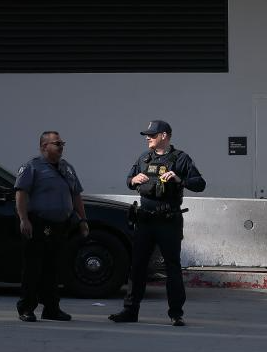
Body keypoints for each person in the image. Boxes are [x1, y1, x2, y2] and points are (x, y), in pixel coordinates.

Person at [109, 120, 205, 326]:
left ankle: (176, 314)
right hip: (145, 220)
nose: (148, 138)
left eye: (152, 135)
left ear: (164, 135)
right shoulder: (144, 158)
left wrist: (179, 179)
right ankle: (130, 311)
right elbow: (128, 180)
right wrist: (134, 180)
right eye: (147, 135)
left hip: (168, 220)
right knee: (137, 267)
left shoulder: (180, 159)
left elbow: (200, 184)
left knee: (172, 267)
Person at [14, 131, 89, 322]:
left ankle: (51, 308)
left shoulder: (67, 168)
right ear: (43, 146)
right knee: (33, 268)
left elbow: (76, 196)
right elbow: (21, 194)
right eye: (57, 143)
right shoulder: (32, 167)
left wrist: (83, 220)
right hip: (38, 224)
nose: (61, 146)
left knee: (54, 268)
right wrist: (23, 219)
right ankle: (26, 308)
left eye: (62, 143)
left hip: (61, 226)